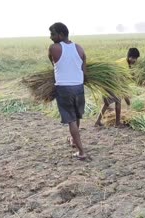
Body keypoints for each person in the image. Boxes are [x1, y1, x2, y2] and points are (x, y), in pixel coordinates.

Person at [48, 22, 88, 160]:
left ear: (61, 34)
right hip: (79, 87)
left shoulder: (54, 48)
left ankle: (81, 152)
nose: (50, 37)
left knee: (71, 120)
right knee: (76, 117)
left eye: (52, 34)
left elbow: (53, 64)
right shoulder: (80, 48)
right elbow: (84, 71)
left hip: (64, 89)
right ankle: (73, 140)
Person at [94, 48, 140, 127]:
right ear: (130, 57)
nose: (135, 60)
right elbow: (121, 84)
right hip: (108, 82)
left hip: (107, 82)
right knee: (118, 100)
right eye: (134, 58)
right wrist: (127, 99)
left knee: (107, 103)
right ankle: (117, 123)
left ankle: (97, 121)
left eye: (136, 59)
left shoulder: (124, 62)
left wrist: (126, 97)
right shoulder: (124, 66)